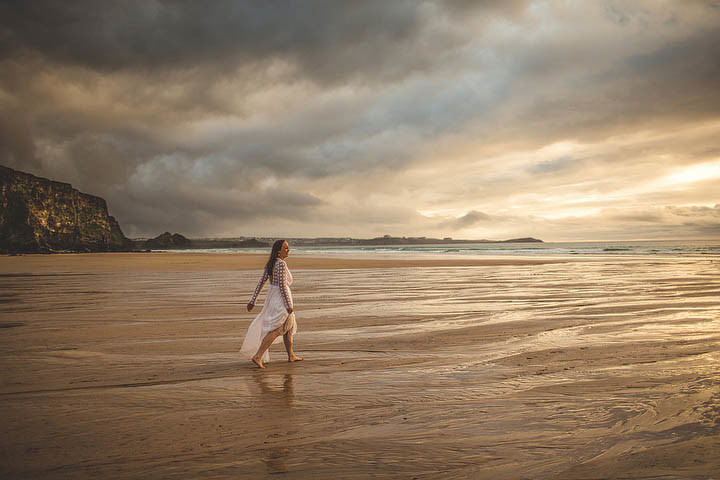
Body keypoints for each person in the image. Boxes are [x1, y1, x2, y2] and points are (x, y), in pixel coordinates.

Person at [240, 239, 303, 368]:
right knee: (277, 329)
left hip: (273, 298)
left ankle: (291, 355)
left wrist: (253, 300)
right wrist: (288, 304)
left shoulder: (271, 263)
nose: (288, 250)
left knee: (288, 328)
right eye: (286, 248)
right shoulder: (280, 264)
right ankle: (258, 356)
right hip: (280, 300)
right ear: (279, 251)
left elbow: (261, 283)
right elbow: (282, 286)